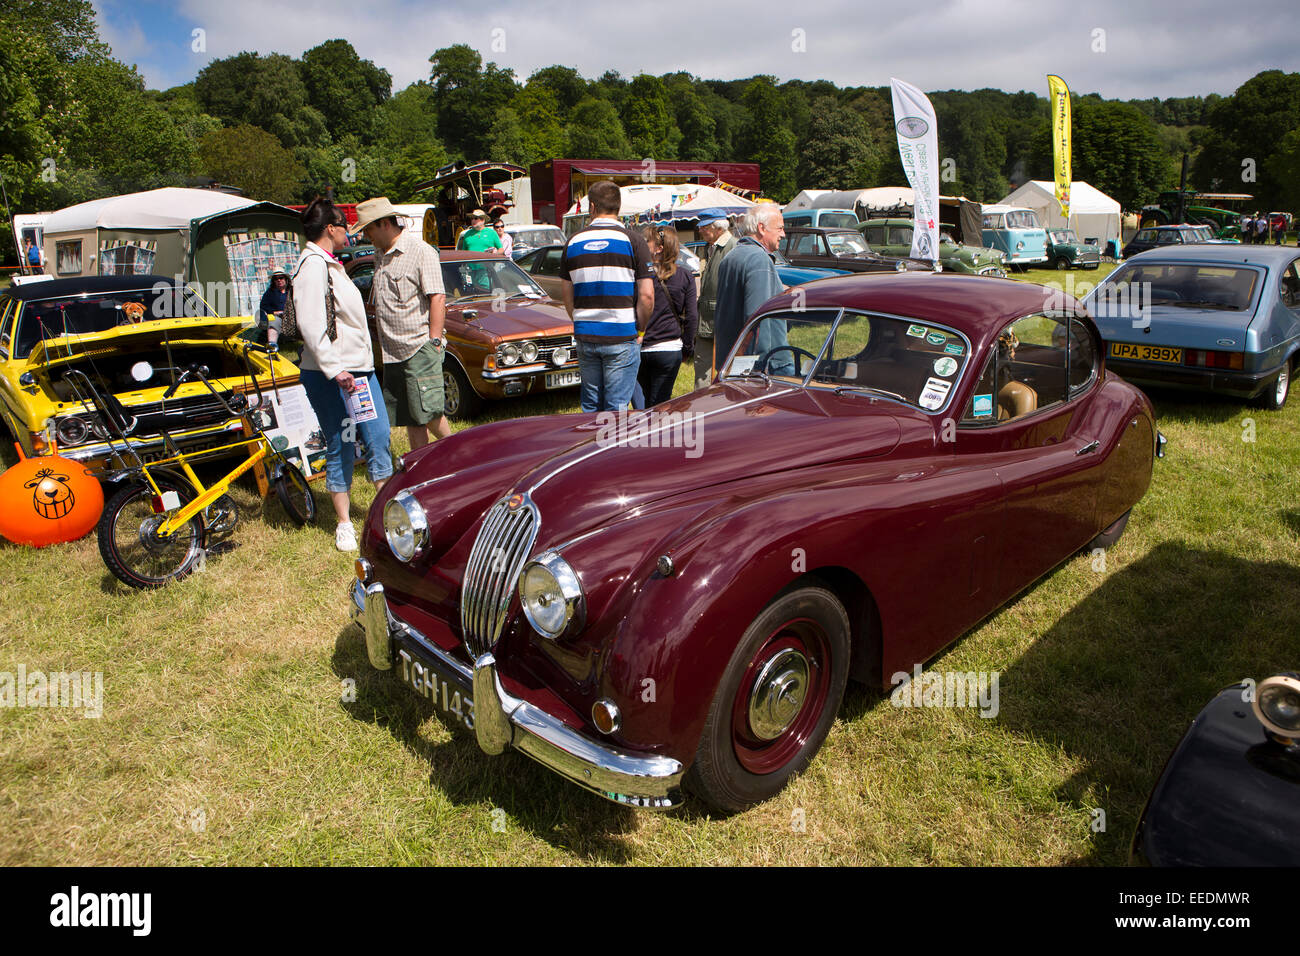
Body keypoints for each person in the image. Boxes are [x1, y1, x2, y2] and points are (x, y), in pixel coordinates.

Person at [288, 198, 393, 552]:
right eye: (344, 225)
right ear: (330, 229)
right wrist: (336, 371)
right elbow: (310, 324)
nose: (349, 231)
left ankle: (386, 515)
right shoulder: (312, 265)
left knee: (378, 438)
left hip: (359, 371)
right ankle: (345, 524)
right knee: (341, 444)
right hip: (331, 375)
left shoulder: (330, 264)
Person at [354, 196, 452, 450]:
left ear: (385, 223)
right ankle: (421, 466)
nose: (366, 235)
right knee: (412, 417)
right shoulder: (380, 254)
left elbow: (437, 297)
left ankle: (460, 454)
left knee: (429, 414)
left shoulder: (420, 251)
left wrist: (434, 341)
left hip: (419, 348)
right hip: (394, 353)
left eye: (368, 229)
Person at [558, 180, 654, 412]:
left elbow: (567, 296)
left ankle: (590, 447)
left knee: (590, 406)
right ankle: (612, 449)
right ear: (618, 207)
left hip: (586, 334)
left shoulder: (572, 242)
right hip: (621, 334)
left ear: (592, 207)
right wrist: (640, 329)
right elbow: (647, 296)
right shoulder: (634, 241)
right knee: (617, 408)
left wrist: (582, 319)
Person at [712, 203, 786, 372]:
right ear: (762, 228)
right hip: (762, 366)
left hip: (731, 361)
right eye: (780, 228)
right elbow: (758, 317)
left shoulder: (731, 257)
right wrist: (762, 366)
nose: (783, 234)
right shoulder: (759, 259)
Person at [637, 224, 698, 407]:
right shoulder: (686, 276)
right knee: (661, 403)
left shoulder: (640, 276)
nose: (642, 244)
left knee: (646, 403)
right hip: (669, 349)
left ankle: (646, 434)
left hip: (642, 347)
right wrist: (687, 348)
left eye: (646, 241)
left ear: (658, 248)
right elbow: (692, 317)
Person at [694, 211, 737, 388]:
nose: (701, 231)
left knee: (724, 370)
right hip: (707, 320)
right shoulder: (709, 246)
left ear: (718, 227)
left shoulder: (732, 247)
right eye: (701, 227)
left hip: (723, 321)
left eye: (705, 227)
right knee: (702, 371)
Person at [257, 272, 288, 344]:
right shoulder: (269, 293)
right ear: (273, 281)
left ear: (286, 279)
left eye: (281, 278)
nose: (279, 280)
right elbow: (263, 306)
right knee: (273, 323)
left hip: (293, 317)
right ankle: (272, 346)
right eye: (276, 279)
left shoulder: (292, 291)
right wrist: (274, 312)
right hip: (277, 317)